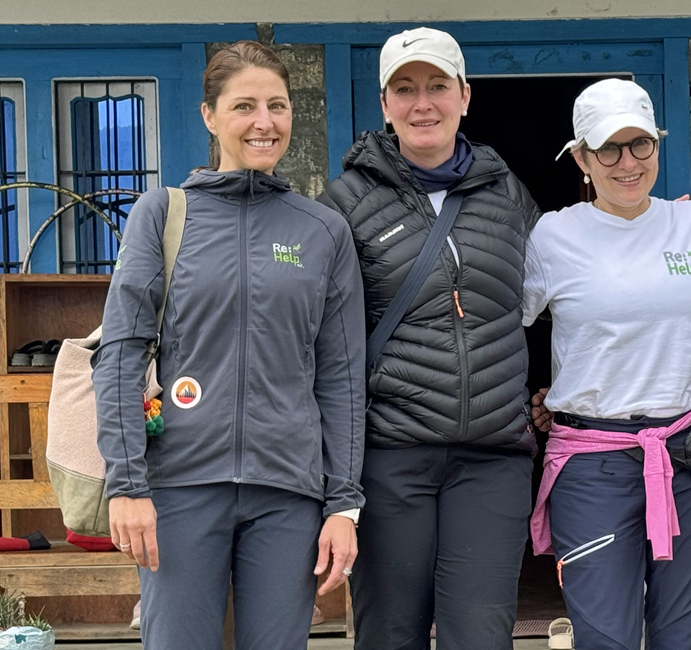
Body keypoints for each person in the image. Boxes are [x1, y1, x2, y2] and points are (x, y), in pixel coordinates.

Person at [93, 40, 366, 650]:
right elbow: (120, 354)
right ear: (210, 116)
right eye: (244, 106)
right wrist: (127, 484)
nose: (264, 122)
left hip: (288, 495)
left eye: (277, 105)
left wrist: (342, 505)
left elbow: (342, 376)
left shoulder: (322, 230)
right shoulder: (162, 215)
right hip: (180, 487)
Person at [316, 27, 540, 650]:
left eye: (438, 86)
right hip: (391, 454)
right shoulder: (344, 202)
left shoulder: (507, 193)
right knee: (391, 633)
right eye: (405, 89)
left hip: (493, 456)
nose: (423, 104)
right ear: (384, 104)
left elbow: (561, 291)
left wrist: (675, 227)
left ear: (464, 96)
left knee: (481, 634)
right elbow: (319, 336)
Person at [522, 78, 691, 650]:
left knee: (682, 636)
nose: (627, 163)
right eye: (608, 149)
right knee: (606, 639)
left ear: (657, 145)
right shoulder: (552, 236)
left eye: (640, 145)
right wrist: (528, 397)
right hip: (591, 465)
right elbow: (499, 326)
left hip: (690, 461)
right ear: (581, 159)